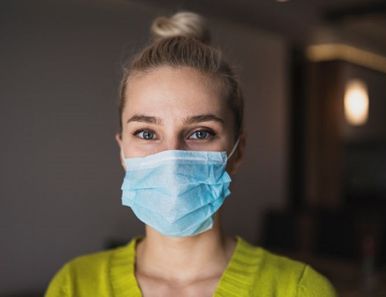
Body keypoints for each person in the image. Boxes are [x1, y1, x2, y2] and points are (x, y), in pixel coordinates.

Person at [45, 11, 337, 297]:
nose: (172, 158)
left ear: (237, 152)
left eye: (200, 133)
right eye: (146, 133)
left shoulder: (300, 290)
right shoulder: (74, 285)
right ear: (123, 151)